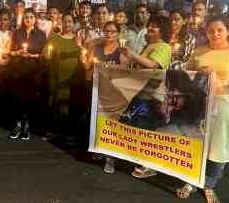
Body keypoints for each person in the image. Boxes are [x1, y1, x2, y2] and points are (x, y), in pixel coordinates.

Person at [176, 15, 229, 203]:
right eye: (211, 30)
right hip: (197, 106)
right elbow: (184, 71)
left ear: (227, 31)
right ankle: (190, 181)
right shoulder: (199, 51)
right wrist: (198, 73)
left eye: (219, 30)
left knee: (218, 147)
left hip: (223, 108)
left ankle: (209, 185)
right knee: (195, 143)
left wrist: (219, 81)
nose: (215, 34)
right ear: (205, 32)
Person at [120, 15, 172, 179]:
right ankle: (140, 160)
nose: (150, 28)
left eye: (155, 26)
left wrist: (131, 54)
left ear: (162, 30)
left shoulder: (164, 47)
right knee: (138, 126)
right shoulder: (149, 45)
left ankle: (149, 165)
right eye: (150, 25)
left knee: (148, 130)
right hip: (141, 93)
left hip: (153, 97)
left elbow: (152, 65)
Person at [82, 21, 129, 174]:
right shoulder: (96, 48)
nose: (109, 34)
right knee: (97, 122)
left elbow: (124, 73)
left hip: (114, 94)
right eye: (106, 31)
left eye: (113, 31)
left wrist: (107, 68)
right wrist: (87, 64)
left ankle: (111, 158)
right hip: (97, 91)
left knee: (112, 127)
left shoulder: (122, 51)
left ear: (118, 33)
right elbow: (88, 69)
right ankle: (99, 149)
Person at [9, 8, 47, 140]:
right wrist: (17, 53)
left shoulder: (41, 35)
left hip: (33, 71)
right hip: (18, 69)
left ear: (35, 19)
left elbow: (44, 54)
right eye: (26, 17)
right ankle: (18, 124)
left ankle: (27, 125)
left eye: (31, 17)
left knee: (30, 98)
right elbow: (10, 50)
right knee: (18, 98)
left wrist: (32, 55)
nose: (28, 19)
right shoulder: (17, 33)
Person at [43, 14, 80, 138]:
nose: (67, 24)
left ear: (74, 23)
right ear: (61, 23)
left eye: (70, 21)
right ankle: (54, 130)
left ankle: (68, 132)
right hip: (57, 76)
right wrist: (46, 57)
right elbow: (45, 55)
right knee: (56, 103)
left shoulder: (78, 39)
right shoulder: (54, 38)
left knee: (70, 104)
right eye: (64, 21)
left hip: (73, 78)